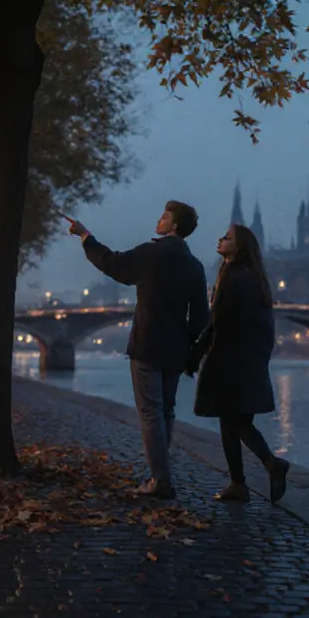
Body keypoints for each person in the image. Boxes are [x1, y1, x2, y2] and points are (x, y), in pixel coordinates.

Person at [69, 201, 210, 499]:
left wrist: (86, 237)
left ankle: (160, 481)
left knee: (149, 413)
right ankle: (162, 474)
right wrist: (192, 356)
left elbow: (111, 262)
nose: (158, 220)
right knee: (167, 411)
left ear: (172, 226)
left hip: (147, 344)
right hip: (176, 349)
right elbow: (200, 319)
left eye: (163, 217)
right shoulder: (195, 266)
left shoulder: (150, 254)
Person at [189, 224, 290, 504]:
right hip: (244, 361)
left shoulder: (237, 278)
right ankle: (239, 483)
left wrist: (198, 352)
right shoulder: (244, 276)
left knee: (234, 421)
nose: (220, 239)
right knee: (232, 421)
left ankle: (271, 465)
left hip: (234, 362)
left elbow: (222, 323)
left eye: (228, 237)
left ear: (241, 246)